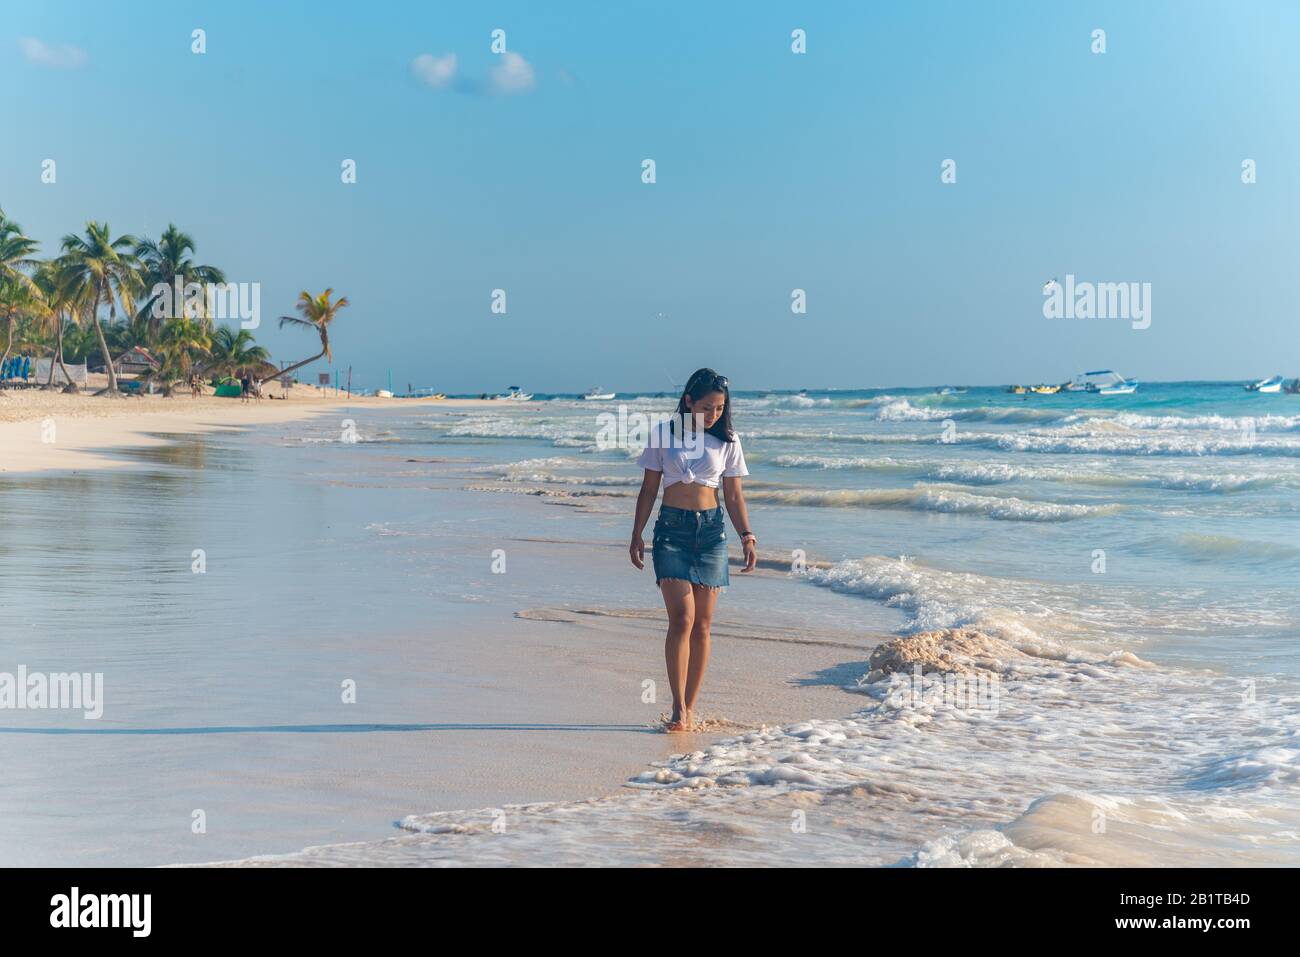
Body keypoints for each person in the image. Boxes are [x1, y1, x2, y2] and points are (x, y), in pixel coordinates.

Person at [629, 368, 757, 732]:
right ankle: (678, 708)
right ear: (688, 401)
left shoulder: (729, 441)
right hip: (672, 531)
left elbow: (733, 495)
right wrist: (637, 534)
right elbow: (648, 490)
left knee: (702, 624)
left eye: (719, 408)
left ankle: (691, 703)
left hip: (711, 534)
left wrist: (747, 535)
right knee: (681, 619)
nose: (713, 414)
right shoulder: (663, 435)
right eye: (706, 407)